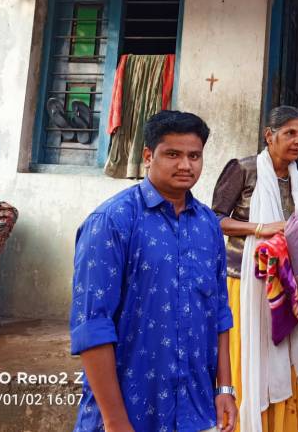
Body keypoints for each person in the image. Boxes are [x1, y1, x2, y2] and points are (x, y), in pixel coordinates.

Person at [70, 110, 236, 432]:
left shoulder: (208, 226)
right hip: (130, 413)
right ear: (148, 155)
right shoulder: (112, 222)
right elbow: (92, 328)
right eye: (172, 154)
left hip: (196, 411)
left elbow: (219, 313)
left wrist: (224, 389)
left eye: (194, 156)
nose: (185, 165)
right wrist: (116, 422)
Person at [211, 105, 298, 432]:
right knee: (249, 358)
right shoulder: (243, 170)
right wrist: (259, 227)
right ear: (269, 135)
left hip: (291, 286)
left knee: (285, 357)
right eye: (290, 133)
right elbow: (215, 220)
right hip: (245, 280)